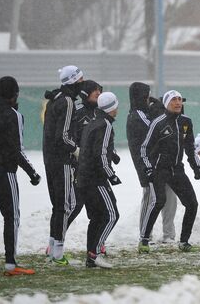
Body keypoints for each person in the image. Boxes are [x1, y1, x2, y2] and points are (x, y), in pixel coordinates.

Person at [0, 76, 40, 275]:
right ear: (15, 94)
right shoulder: (14, 115)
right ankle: (11, 264)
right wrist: (33, 173)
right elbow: (16, 149)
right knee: (12, 216)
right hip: (4, 169)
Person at [139, 90, 200, 252]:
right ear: (167, 103)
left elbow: (190, 147)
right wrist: (148, 168)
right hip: (159, 170)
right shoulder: (158, 122)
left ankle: (184, 241)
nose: (178, 102)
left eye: (180, 99)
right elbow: (144, 148)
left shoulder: (186, 122)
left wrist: (195, 167)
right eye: (174, 100)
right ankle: (144, 240)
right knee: (158, 202)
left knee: (192, 204)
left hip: (177, 170)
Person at [126, 82, 177, 253]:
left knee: (169, 195)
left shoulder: (144, 113)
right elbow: (155, 132)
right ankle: (145, 235)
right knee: (151, 198)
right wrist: (162, 111)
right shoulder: (137, 116)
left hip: (162, 163)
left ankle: (169, 234)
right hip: (148, 165)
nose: (149, 98)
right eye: (146, 95)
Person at [42, 65, 84, 265]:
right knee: (66, 205)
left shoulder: (55, 99)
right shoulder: (67, 101)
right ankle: (57, 253)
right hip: (62, 160)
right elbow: (64, 136)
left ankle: (52, 248)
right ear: (74, 81)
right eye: (81, 80)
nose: (83, 83)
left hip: (50, 159)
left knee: (58, 206)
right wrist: (77, 150)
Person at [78, 92, 121, 268]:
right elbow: (100, 153)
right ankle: (95, 253)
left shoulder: (93, 122)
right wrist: (110, 173)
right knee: (111, 215)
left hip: (84, 177)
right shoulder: (105, 125)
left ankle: (91, 256)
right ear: (113, 107)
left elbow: (92, 149)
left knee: (96, 217)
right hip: (95, 178)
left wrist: (113, 155)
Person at [67, 80, 103, 229]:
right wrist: (77, 153)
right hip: (78, 167)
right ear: (85, 93)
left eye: (100, 91)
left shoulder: (100, 112)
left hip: (96, 169)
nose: (98, 93)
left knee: (99, 208)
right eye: (95, 91)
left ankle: (96, 244)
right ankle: (56, 239)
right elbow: (68, 136)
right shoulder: (77, 111)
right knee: (75, 205)